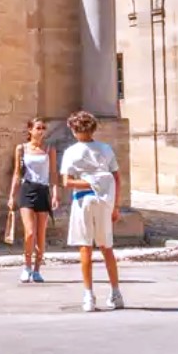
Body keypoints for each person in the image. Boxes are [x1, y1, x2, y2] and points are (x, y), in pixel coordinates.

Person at [60, 110, 124, 312]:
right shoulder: (105, 149)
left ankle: (89, 295)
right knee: (107, 247)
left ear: (73, 129)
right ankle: (116, 293)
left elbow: (67, 182)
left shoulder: (71, 152)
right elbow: (116, 178)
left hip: (83, 199)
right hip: (104, 201)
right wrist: (116, 205)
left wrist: (90, 182)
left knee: (85, 246)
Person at [8, 117, 59, 283]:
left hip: (43, 190)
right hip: (27, 189)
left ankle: (37, 269)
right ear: (30, 130)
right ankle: (27, 266)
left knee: (41, 234)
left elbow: (53, 173)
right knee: (30, 232)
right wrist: (12, 196)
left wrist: (55, 193)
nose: (41, 131)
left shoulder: (49, 149)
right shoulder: (21, 149)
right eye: (38, 128)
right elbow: (17, 173)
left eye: (43, 128)